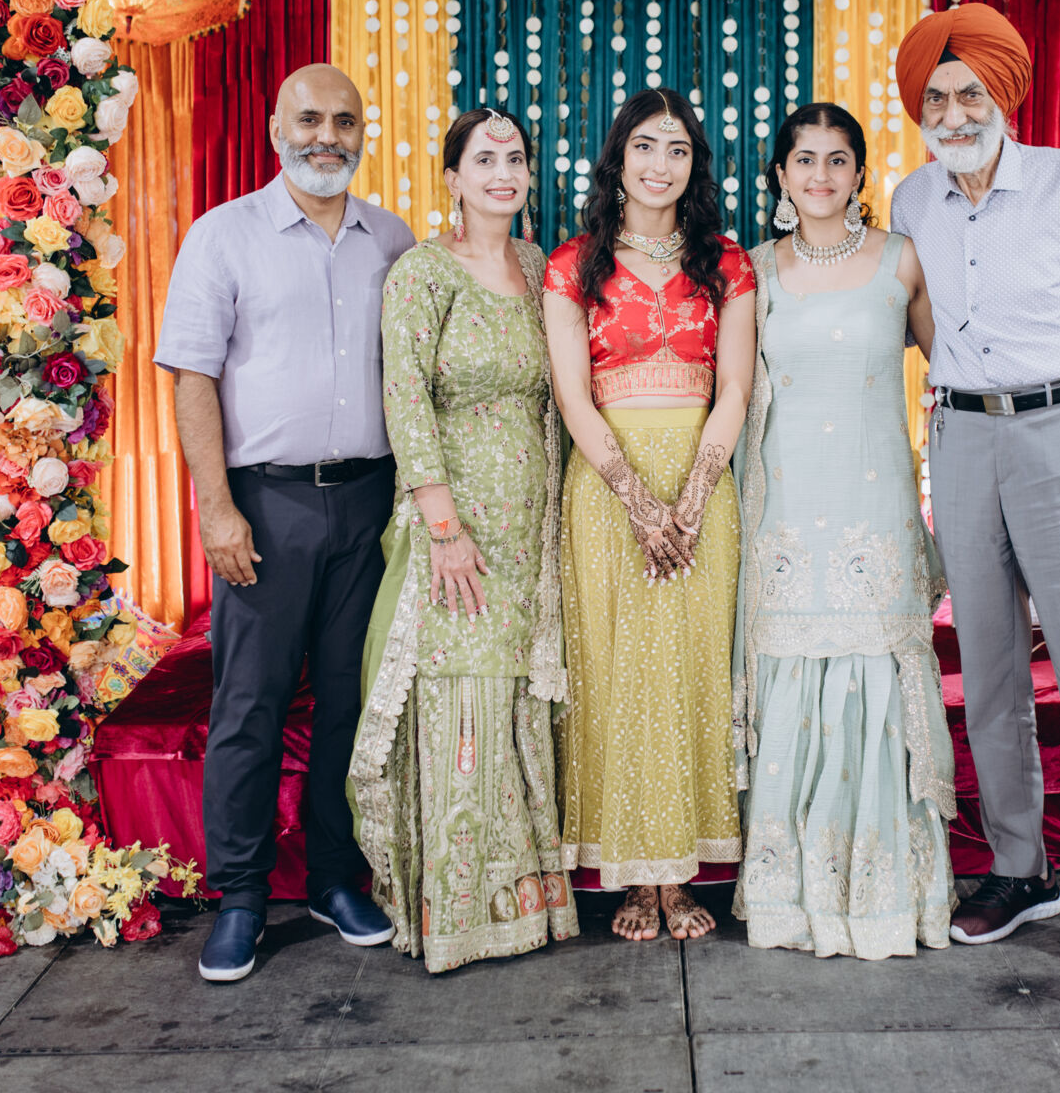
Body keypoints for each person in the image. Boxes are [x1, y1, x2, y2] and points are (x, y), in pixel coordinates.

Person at [889, 4, 1060, 990]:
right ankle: (1020, 869)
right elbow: (908, 323)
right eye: (936, 98)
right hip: (962, 437)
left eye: (970, 93)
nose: (954, 113)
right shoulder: (911, 199)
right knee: (991, 670)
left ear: (1003, 94)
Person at [156, 64, 410, 982]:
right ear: (276, 129)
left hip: (369, 502)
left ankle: (337, 879)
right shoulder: (223, 236)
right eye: (309, 119)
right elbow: (191, 376)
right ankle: (241, 897)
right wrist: (216, 507)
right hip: (264, 505)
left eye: (344, 121)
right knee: (251, 705)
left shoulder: (393, 239)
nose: (326, 136)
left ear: (362, 134)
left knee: (348, 699)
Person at [350, 108, 579, 972]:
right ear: (452, 178)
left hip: (532, 522)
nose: (502, 173)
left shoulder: (540, 266)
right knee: (462, 689)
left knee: (516, 690)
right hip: (458, 524)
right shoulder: (422, 271)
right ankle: (456, 911)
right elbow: (405, 397)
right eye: (484, 159)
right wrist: (444, 530)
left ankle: (526, 904)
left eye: (514, 158)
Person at [732, 103, 957, 959]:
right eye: (805, 160)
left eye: (837, 160)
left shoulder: (901, 260)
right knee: (792, 683)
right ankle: (791, 896)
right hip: (786, 514)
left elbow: (954, 373)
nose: (821, 175)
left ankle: (887, 896)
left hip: (874, 512)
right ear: (780, 176)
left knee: (872, 681)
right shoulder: (754, 271)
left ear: (861, 174)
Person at [542, 88, 756, 942]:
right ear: (618, 158)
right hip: (607, 489)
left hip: (702, 482)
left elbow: (734, 387)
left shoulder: (727, 263)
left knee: (692, 671)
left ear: (694, 165)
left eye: (677, 149)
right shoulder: (573, 264)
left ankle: (680, 874)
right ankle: (632, 877)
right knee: (616, 673)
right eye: (644, 146)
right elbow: (572, 395)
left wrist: (692, 500)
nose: (660, 164)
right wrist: (637, 501)